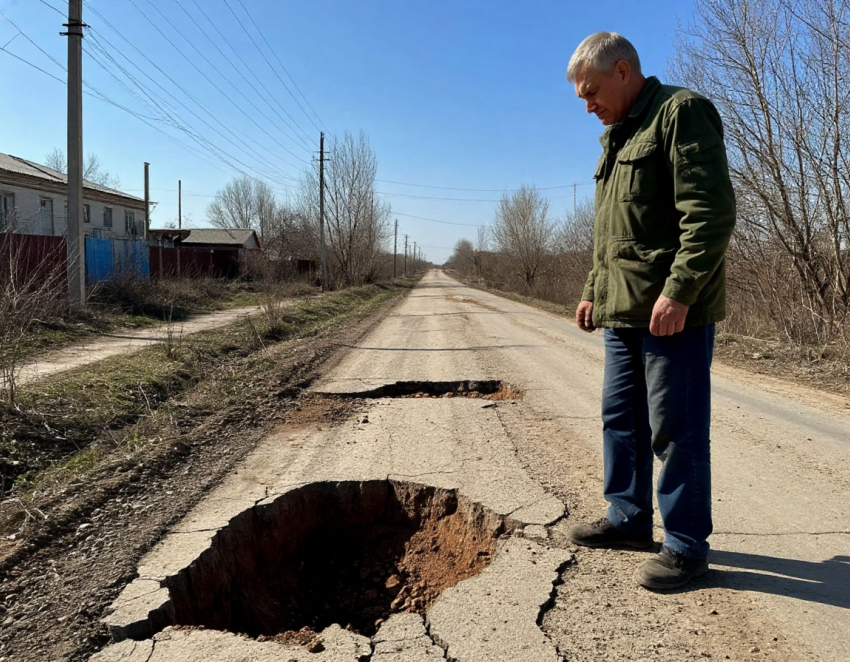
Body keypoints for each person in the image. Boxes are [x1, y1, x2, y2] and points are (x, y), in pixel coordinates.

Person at [564, 31, 736, 590]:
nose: (588, 106)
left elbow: (709, 213)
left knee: (676, 431)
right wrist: (593, 288)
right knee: (621, 422)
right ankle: (628, 518)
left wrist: (680, 291)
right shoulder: (617, 137)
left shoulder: (680, 113)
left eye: (591, 92)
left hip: (671, 315)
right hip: (622, 312)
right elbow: (612, 233)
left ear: (622, 71)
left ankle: (685, 547)